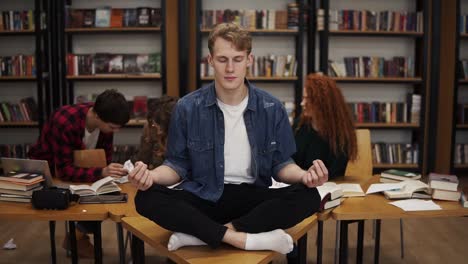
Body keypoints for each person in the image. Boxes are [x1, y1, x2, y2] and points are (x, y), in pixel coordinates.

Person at [129, 23, 328, 254]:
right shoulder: (187, 107)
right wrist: (150, 176)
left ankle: (207, 234)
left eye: (238, 59)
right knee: (145, 197)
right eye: (223, 59)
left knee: (308, 195)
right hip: (203, 196)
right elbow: (177, 166)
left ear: (249, 60)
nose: (230, 68)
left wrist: (306, 176)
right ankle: (244, 238)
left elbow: (281, 164)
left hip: (251, 198)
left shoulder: (272, 107)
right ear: (211, 60)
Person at [28, 89, 130, 258]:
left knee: (109, 194)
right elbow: (63, 170)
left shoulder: (105, 123)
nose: (115, 132)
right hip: (49, 173)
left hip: (82, 170)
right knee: (94, 197)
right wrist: (102, 171)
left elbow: (104, 159)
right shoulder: (64, 121)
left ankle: (76, 236)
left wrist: (109, 171)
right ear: (97, 116)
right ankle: (76, 238)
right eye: (112, 127)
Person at [293, 73, 358, 179]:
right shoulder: (299, 125)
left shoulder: (341, 133)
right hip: (299, 182)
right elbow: (290, 161)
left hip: (330, 186)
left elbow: (336, 171)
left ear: (321, 102)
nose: (302, 103)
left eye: (307, 99)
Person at [132, 95, 178, 169]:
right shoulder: (150, 127)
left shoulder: (181, 133)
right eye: (154, 124)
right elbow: (141, 161)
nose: (159, 132)